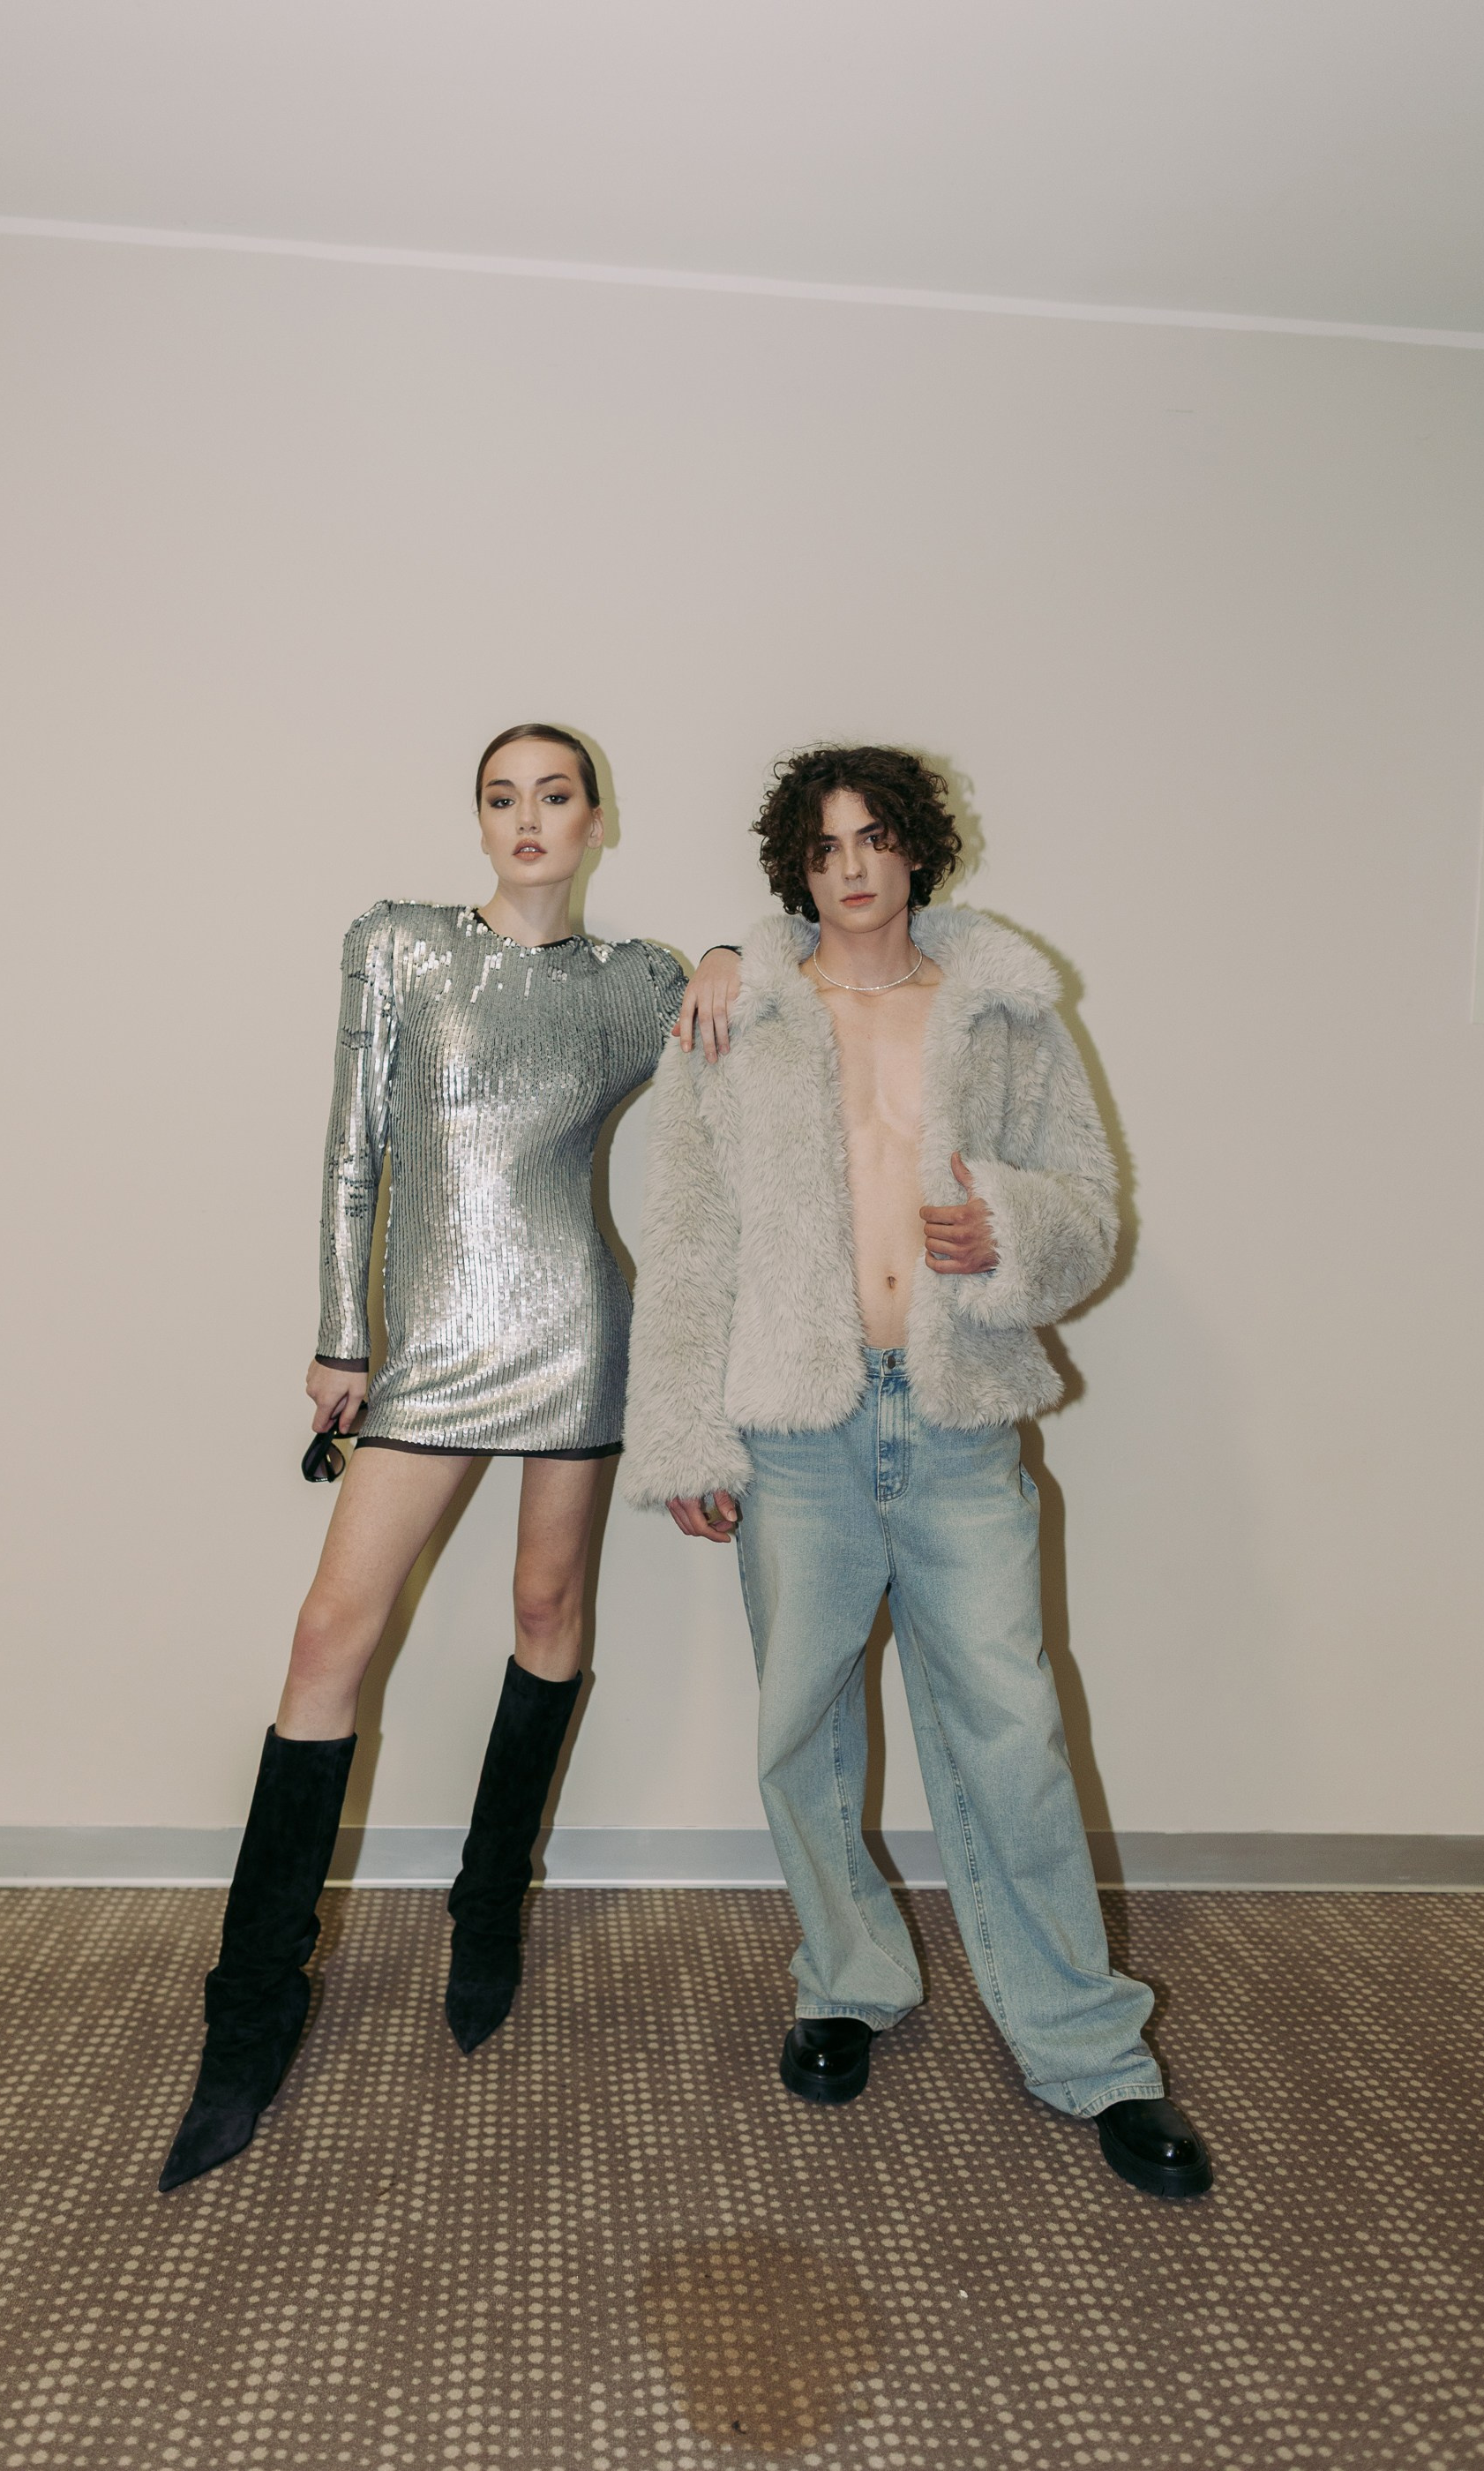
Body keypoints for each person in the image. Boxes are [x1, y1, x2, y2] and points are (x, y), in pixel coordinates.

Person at [621, 745, 1211, 2201]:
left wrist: (1012, 1225)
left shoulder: (1003, 1011)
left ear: (916, 851)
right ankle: (846, 1979)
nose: (853, 868)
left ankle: (1091, 2051)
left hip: (954, 1422)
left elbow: (1090, 1204)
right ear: (798, 869)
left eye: (875, 838)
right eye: (825, 847)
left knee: (1011, 1730)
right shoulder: (736, 1016)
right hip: (798, 1428)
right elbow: (688, 1241)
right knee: (800, 1728)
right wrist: (683, 1433)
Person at [159, 724, 741, 2193]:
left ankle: (488, 1910)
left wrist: (737, 956)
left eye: (555, 795)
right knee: (328, 1636)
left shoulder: (636, 985)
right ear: (478, 820)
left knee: (548, 1609)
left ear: (596, 820)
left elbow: (745, 1088)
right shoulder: (401, 947)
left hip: (573, 1329)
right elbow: (352, 1150)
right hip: (426, 1339)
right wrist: (339, 1337)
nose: (527, 818)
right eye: (502, 797)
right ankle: (251, 2009)